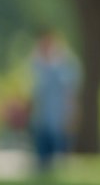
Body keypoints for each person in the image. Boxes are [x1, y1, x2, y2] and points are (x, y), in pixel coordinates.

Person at [29, 29, 79, 174]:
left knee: (59, 150)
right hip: (41, 116)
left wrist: (71, 113)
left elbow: (70, 92)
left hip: (58, 115)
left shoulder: (63, 64)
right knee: (42, 153)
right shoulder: (37, 64)